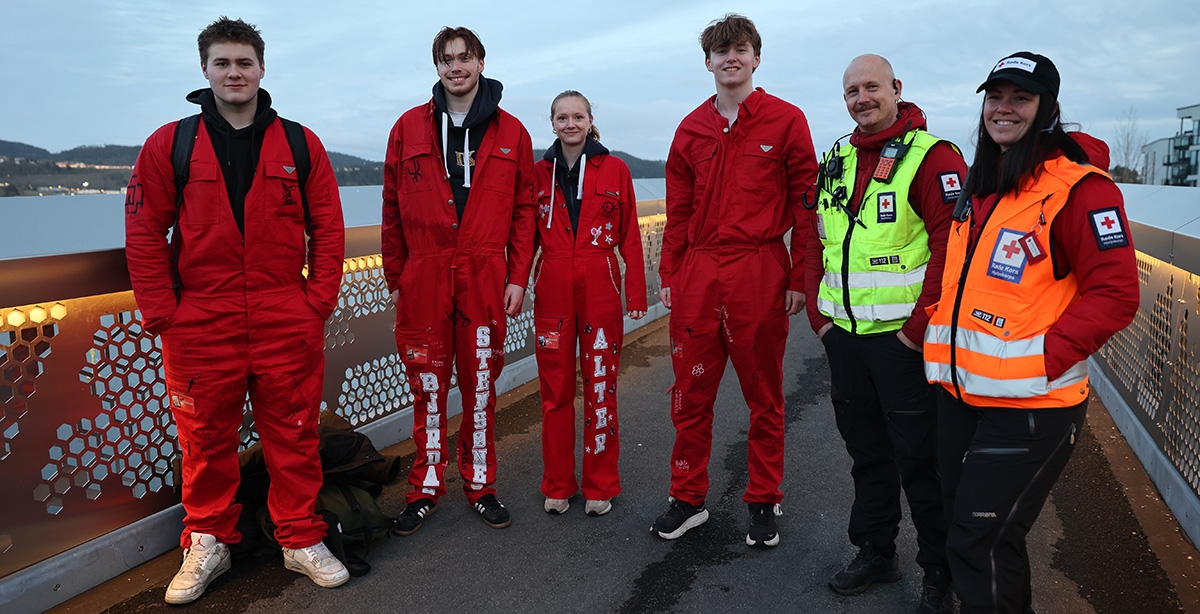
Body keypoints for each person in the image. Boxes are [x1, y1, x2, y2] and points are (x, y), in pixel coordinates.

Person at [124, 17, 349, 604]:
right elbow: (144, 231)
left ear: (261, 69)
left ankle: (300, 537)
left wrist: (317, 301)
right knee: (204, 442)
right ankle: (208, 539)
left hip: (284, 314)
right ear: (204, 69)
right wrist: (164, 314)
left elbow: (329, 227)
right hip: (201, 321)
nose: (233, 73)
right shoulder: (169, 144)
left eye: (244, 62)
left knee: (295, 433)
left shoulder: (300, 144)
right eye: (222, 63)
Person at [924, 52, 1138, 613]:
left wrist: (1045, 356)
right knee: (973, 533)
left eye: (1021, 97)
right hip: (961, 396)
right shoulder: (982, 183)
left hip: (1030, 404)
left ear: (1048, 109)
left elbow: (1117, 294)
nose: (1004, 108)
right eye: (995, 97)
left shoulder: (1080, 189)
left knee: (981, 541)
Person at [805, 55, 965, 613]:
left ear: (897, 88)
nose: (861, 98)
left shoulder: (933, 157)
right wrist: (819, 319)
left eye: (871, 87)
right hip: (844, 339)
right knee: (867, 454)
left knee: (922, 462)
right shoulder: (837, 158)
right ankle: (876, 551)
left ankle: (940, 572)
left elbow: (951, 248)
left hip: (903, 343)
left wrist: (917, 331)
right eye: (851, 91)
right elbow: (815, 236)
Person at [652, 13, 817, 547]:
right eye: (721, 51)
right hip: (699, 270)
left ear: (756, 58)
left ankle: (764, 497)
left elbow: (806, 205)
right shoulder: (690, 129)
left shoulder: (786, 121)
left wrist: (800, 276)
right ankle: (687, 497)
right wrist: (670, 271)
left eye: (740, 49)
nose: (731, 58)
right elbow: (678, 209)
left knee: (764, 393)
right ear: (708, 62)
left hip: (758, 267)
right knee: (690, 392)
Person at [382, 26, 537, 534]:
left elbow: (524, 211)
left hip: (485, 273)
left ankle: (481, 484)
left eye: (464, 57)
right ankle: (425, 487)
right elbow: (390, 207)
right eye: (446, 59)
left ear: (481, 62)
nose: (456, 67)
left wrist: (518, 276)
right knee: (427, 387)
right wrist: (396, 275)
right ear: (437, 67)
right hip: (424, 275)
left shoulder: (512, 132)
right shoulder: (408, 128)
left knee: (480, 384)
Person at [533, 91, 648, 517]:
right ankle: (558, 484)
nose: (570, 124)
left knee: (600, 385)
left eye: (578, 116)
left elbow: (630, 234)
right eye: (562, 117)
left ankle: (600, 485)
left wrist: (636, 293)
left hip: (600, 282)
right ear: (552, 123)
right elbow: (523, 236)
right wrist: (513, 284)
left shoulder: (615, 169)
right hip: (553, 287)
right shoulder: (538, 173)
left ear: (589, 120)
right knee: (555, 391)